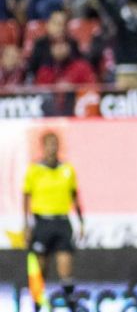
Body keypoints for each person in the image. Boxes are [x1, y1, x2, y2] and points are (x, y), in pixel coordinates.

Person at [23, 131, 85, 312]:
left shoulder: (67, 170)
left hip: (62, 223)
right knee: (40, 272)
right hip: (42, 222)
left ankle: (71, 305)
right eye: (49, 144)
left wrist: (81, 222)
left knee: (66, 269)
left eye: (55, 144)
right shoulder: (34, 170)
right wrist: (26, 224)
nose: (53, 148)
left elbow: (75, 197)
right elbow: (26, 197)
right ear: (43, 147)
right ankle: (37, 306)